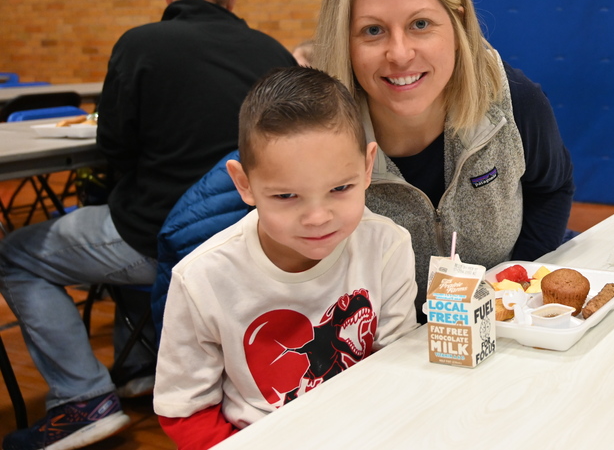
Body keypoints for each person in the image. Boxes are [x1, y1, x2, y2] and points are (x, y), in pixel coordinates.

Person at [0, 0, 295, 450]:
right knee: (121, 219)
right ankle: (142, 365)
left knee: (16, 255)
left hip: (161, 238)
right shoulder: (270, 52)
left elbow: (115, 148)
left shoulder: (140, 44)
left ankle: (82, 398)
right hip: (252, 239)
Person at [314, 0, 575, 316]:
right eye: (373, 30)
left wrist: (514, 288)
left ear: (456, 22)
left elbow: (553, 188)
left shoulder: (514, 102)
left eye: (420, 24)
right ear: (344, 41)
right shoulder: (315, 139)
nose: (399, 54)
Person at [154, 66, 417, 450]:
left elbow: (395, 368)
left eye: (339, 188)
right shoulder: (201, 279)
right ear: (244, 183)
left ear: (366, 167)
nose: (317, 217)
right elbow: (184, 409)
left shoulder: (386, 245)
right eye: (286, 196)